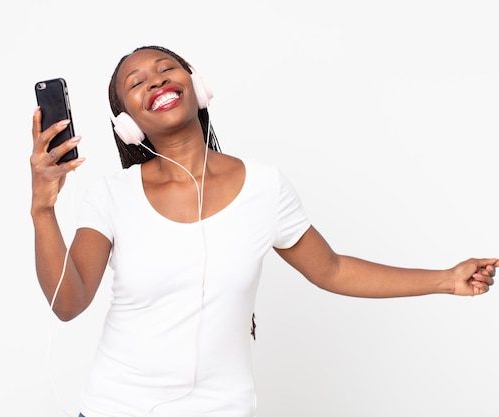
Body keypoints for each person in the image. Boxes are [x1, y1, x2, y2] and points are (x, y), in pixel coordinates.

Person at [29, 45, 497, 417]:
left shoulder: (264, 187)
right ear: (127, 125)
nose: (155, 80)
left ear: (197, 85)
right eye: (136, 82)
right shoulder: (112, 196)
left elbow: (332, 270)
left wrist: (447, 279)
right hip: (117, 409)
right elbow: (68, 304)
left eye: (165, 68)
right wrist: (43, 209)